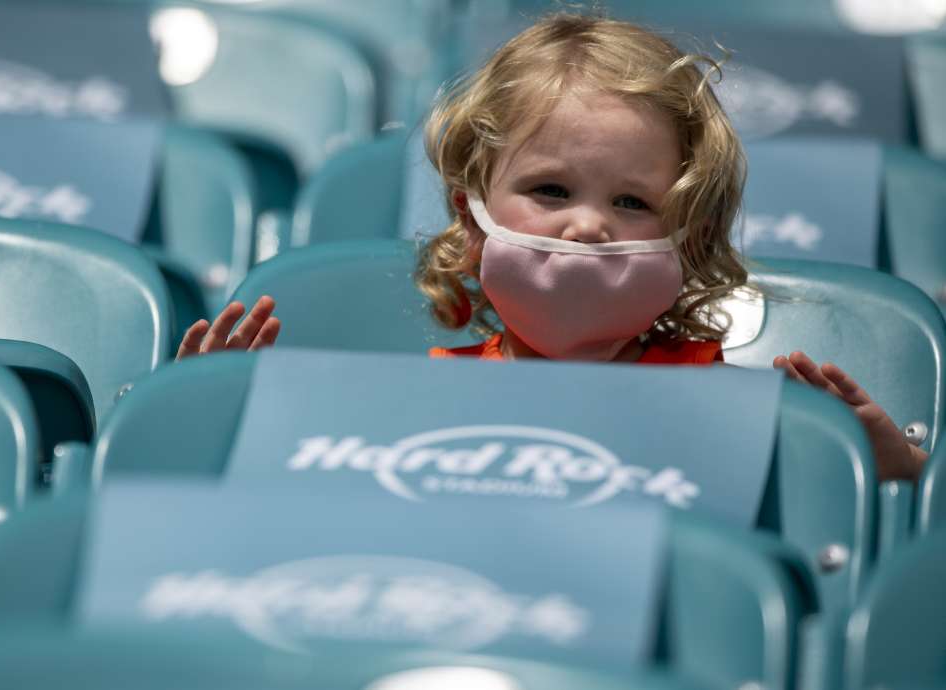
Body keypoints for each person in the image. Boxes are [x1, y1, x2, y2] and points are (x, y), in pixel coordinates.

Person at [175, 12, 926, 482]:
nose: (586, 227)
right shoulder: (414, 404)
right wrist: (214, 409)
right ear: (472, 222)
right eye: (551, 192)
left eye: (632, 203)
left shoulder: (730, 405)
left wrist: (871, 463)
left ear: (689, 240)